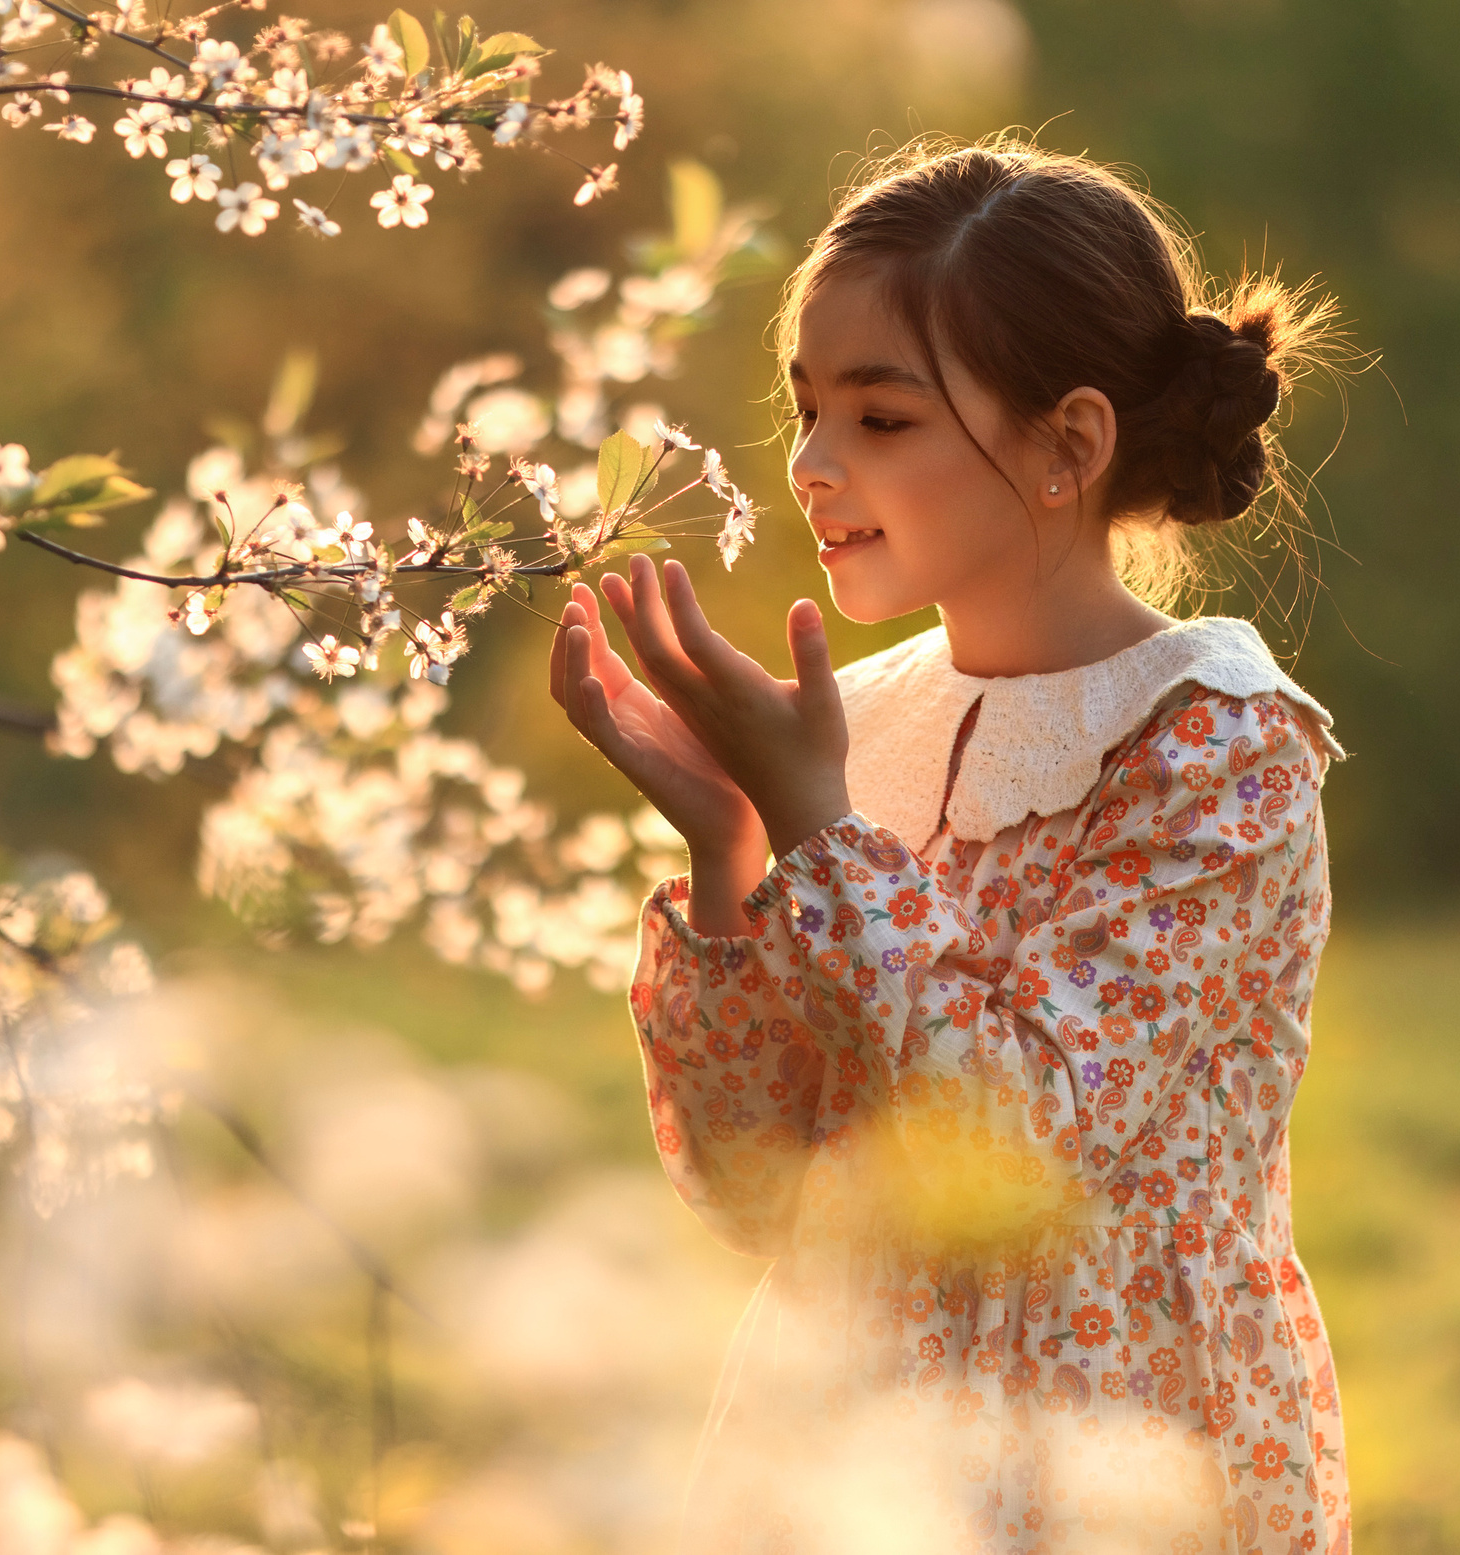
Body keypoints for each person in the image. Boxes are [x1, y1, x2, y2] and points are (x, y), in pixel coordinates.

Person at [547, 136, 1350, 1555]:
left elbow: (1012, 1144)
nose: (810, 465)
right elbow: (756, 1184)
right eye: (805, 411)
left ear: (1068, 447)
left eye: (883, 420)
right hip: (842, 1446)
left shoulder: (1213, 743)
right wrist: (736, 846)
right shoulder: (852, 736)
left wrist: (815, 827)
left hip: (1109, 1449)